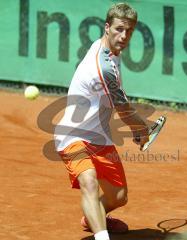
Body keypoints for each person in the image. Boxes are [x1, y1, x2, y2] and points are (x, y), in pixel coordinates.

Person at [54, 3, 149, 240]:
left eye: (129, 31)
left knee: (119, 196)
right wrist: (141, 128)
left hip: (100, 137)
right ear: (107, 28)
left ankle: (93, 217)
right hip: (72, 135)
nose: (124, 36)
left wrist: (135, 125)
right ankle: (101, 235)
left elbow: (117, 98)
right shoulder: (103, 65)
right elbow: (123, 108)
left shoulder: (109, 51)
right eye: (118, 29)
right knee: (89, 181)